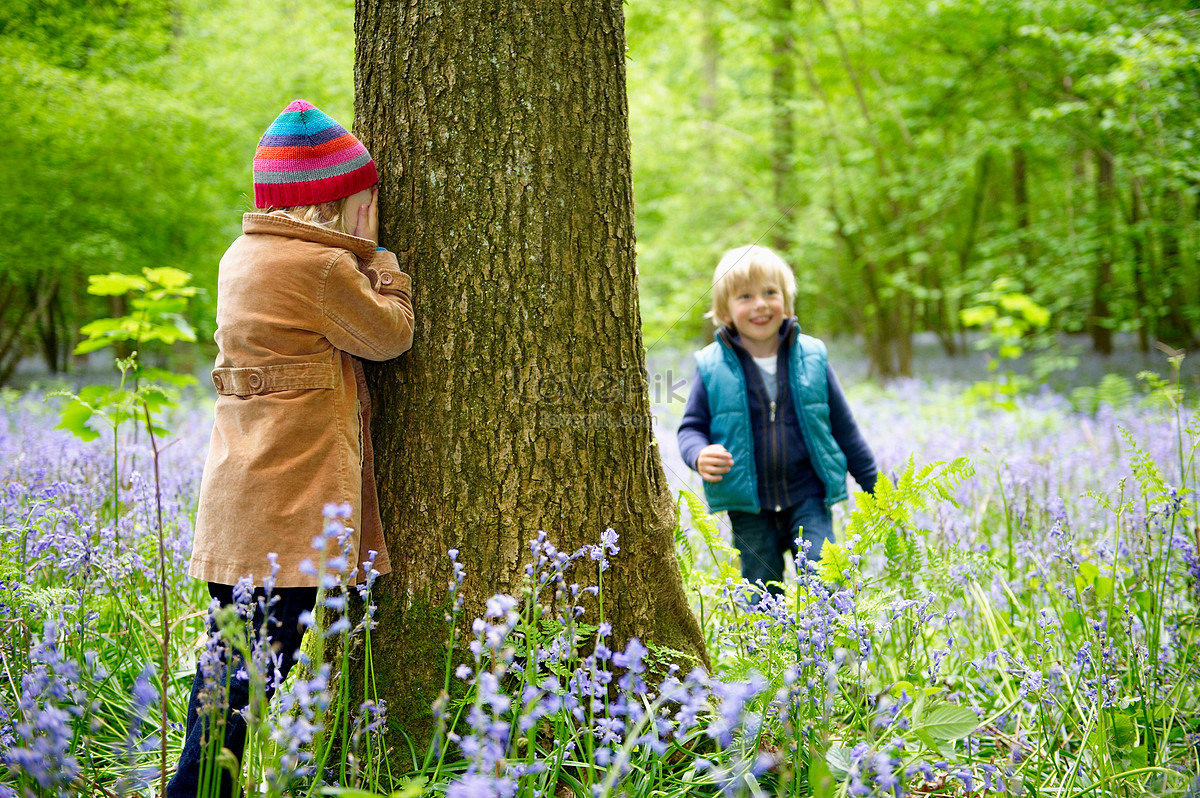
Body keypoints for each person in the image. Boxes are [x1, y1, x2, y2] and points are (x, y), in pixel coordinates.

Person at [168, 99, 415, 797]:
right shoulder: (322, 270)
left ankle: (199, 786)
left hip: (240, 501)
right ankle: (196, 791)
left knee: (227, 668)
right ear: (333, 203)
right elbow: (389, 335)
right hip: (288, 512)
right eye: (364, 199)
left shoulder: (240, 256)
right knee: (253, 673)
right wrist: (381, 259)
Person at [677, 245, 876, 598]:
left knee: (825, 576)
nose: (760, 304)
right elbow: (691, 427)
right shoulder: (711, 366)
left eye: (771, 292)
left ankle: (833, 649)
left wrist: (876, 488)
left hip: (808, 495)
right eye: (745, 296)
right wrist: (699, 454)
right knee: (761, 593)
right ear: (725, 311)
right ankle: (770, 652)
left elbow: (845, 429)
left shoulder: (812, 357)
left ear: (787, 301)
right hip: (749, 506)